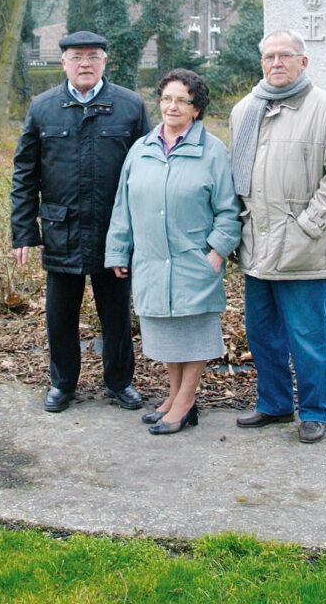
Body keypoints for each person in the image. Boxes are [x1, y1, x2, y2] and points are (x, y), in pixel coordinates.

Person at [10, 30, 151, 413]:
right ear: (64, 63)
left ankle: (120, 382)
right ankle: (62, 384)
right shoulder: (43, 108)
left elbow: (149, 170)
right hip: (62, 230)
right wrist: (23, 231)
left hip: (114, 232)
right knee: (60, 315)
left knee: (117, 314)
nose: (84, 63)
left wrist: (145, 230)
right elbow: (25, 173)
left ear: (105, 62)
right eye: (76, 56)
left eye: (92, 56)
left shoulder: (130, 106)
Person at [230, 30, 326, 443]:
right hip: (256, 247)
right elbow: (236, 179)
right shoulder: (245, 110)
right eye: (269, 56)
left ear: (304, 62)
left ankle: (316, 411)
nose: (277, 62)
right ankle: (274, 404)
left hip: (304, 249)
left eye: (286, 55)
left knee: (309, 337)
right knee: (262, 334)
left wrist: (307, 226)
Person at [105, 69, 241, 435]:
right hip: (151, 258)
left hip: (194, 258)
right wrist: (118, 251)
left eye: (182, 100)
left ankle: (185, 402)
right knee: (166, 331)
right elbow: (123, 205)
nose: (173, 106)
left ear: (197, 109)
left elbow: (229, 210)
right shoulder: (141, 148)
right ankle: (173, 396)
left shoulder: (213, 151)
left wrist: (217, 251)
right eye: (167, 98)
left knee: (194, 330)